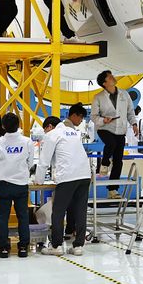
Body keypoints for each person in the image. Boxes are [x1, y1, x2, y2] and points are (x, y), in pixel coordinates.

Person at [37, 104, 92, 256]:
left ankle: (56, 246)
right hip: (84, 175)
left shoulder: (52, 134)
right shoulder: (74, 132)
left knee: (58, 211)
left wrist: (38, 180)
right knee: (80, 210)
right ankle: (78, 246)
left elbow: (44, 161)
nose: (44, 132)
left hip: (68, 176)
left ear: (50, 127)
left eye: (45, 129)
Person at [0, 111, 34, 258]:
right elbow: (30, 163)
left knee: (3, 217)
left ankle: (3, 248)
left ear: (2, 126)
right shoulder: (27, 141)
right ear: (19, 125)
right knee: (23, 217)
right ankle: (22, 248)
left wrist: (0, 173)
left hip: (4, 183)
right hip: (21, 184)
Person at [91, 70, 136, 198]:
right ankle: (104, 164)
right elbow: (94, 117)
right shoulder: (98, 97)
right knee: (111, 143)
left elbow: (130, 112)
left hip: (120, 129)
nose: (113, 78)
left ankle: (112, 190)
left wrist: (134, 124)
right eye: (110, 77)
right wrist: (103, 120)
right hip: (105, 128)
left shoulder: (124, 94)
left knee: (118, 161)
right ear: (104, 83)